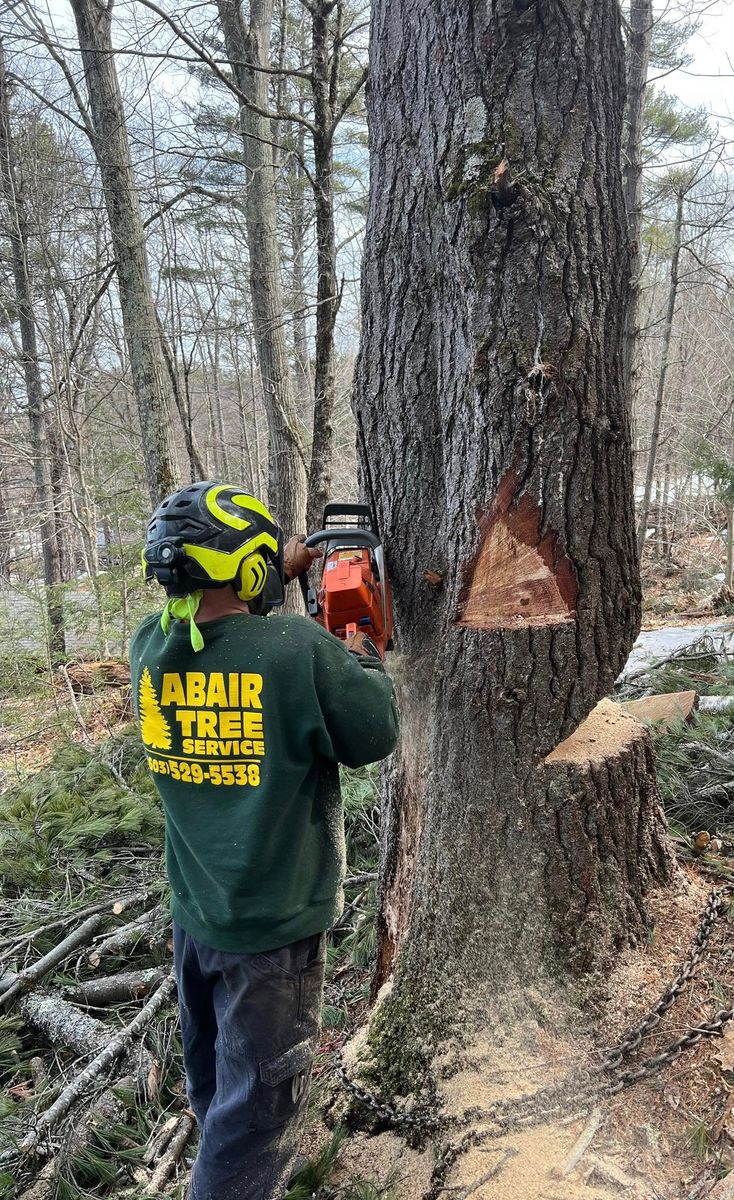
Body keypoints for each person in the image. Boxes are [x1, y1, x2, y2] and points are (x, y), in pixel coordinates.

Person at [130, 480, 398, 1200]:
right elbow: (372, 734)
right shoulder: (297, 651)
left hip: (199, 917)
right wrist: (364, 654)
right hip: (273, 934)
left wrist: (286, 565)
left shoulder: (150, 645)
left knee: (219, 1085)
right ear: (247, 570)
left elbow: (229, 636)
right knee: (258, 1120)